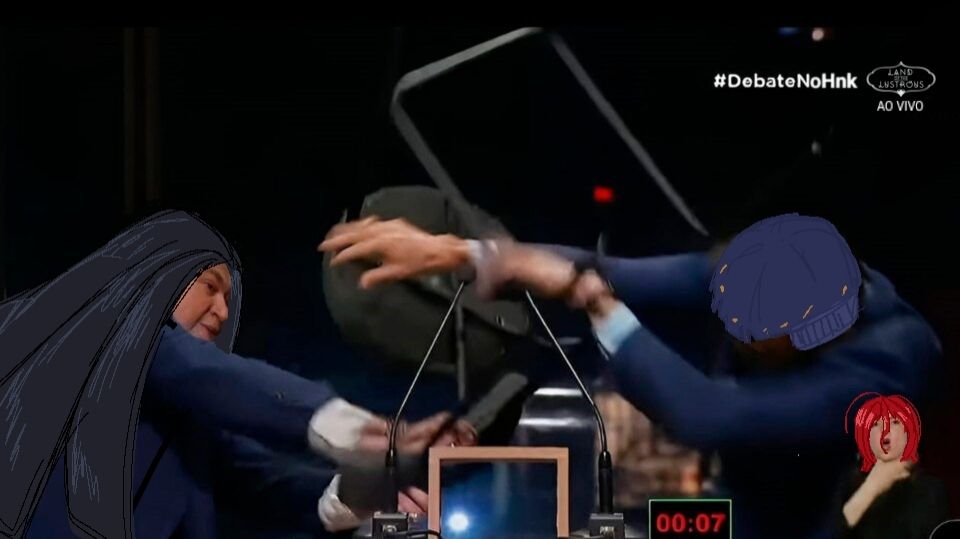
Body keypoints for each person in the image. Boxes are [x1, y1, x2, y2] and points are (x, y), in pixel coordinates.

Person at [319, 212, 943, 539]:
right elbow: (614, 270)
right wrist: (462, 252)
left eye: (750, 337)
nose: (732, 336)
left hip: (832, 520)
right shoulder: (780, 271)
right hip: (751, 495)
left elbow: (709, 415)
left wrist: (592, 300)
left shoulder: (886, 368)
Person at [3, 210, 471, 539]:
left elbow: (267, 482)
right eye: (210, 286)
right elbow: (196, 370)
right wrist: (366, 434)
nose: (223, 311)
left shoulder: (192, 427)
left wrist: (364, 490)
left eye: (229, 299)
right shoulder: (100, 333)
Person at [834, 393, 948, 539]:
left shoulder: (930, 489)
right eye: (876, 424)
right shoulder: (846, 485)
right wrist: (871, 487)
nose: (885, 429)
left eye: (894, 422)